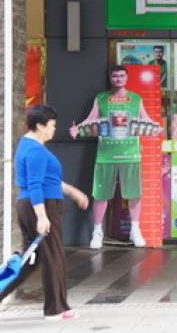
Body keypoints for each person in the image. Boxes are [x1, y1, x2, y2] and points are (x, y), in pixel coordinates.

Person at [1, 105, 89, 319]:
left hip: (31, 205)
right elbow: (35, 185)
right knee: (53, 257)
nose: (54, 130)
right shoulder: (35, 151)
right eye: (51, 126)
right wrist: (42, 216)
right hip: (41, 206)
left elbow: (49, 180)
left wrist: (73, 192)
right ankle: (56, 309)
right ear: (40, 126)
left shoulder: (28, 145)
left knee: (30, 260)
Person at [69, 65, 160, 249]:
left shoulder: (136, 99)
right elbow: (91, 119)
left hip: (130, 153)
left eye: (122, 76)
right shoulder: (101, 98)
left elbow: (146, 119)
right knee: (101, 194)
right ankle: (97, 232)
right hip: (106, 154)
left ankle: (135, 230)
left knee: (134, 193)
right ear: (111, 78)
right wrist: (77, 128)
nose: (118, 79)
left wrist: (156, 126)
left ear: (127, 78)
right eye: (115, 76)